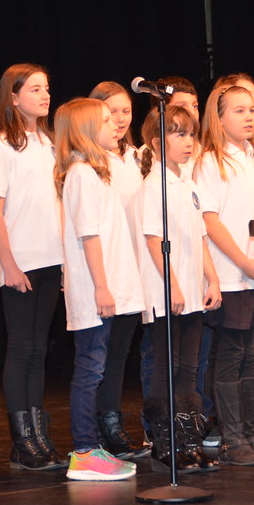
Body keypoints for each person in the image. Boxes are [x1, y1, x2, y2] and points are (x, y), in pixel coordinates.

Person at [55, 97, 145, 481]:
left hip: (106, 287)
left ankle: (93, 449)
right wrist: (102, 288)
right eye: (106, 120)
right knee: (90, 369)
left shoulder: (97, 171)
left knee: (97, 366)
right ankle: (84, 451)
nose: (115, 126)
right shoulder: (80, 174)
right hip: (95, 291)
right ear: (85, 130)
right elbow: (89, 236)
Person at [194, 81, 254, 466]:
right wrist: (244, 262)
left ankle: (250, 433)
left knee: (253, 354)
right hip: (231, 274)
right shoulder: (210, 160)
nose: (250, 116)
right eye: (239, 110)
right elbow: (209, 221)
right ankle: (232, 439)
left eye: (252, 109)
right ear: (219, 116)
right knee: (230, 355)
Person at [0, 63, 65, 471]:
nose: (44, 95)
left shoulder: (51, 143)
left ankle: (37, 433)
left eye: (46, 88)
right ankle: (21, 441)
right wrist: (9, 263)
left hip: (52, 258)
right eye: (35, 89)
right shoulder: (1, 145)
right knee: (21, 348)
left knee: (38, 349)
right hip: (22, 262)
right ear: (13, 97)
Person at [137, 104, 222, 473]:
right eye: (179, 134)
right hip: (166, 292)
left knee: (189, 368)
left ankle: (189, 441)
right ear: (157, 142)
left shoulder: (187, 183)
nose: (189, 142)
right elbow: (155, 240)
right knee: (166, 367)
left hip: (191, 289)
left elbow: (200, 237)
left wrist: (212, 277)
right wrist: (172, 285)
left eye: (191, 134)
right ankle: (164, 442)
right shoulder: (153, 187)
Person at [87, 81, 147, 459]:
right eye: (112, 112)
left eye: (126, 110)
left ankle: (112, 421)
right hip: (104, 268)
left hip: (134, 267)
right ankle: (97, 427)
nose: (121, 118)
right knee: (99, 353)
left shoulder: (136, 156)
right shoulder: (92, 159)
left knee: (121, 351)